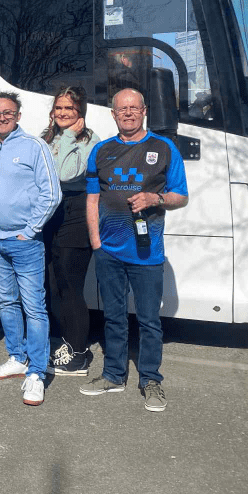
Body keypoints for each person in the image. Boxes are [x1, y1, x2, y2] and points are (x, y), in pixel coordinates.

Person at [80, 88, 188, 412]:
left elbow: (181, 196)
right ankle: (113, 375)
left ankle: (151, 380)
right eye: (121, 109)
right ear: (113, 114)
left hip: (147, 252)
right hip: (109, 252)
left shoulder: (164, 148)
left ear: (144, 111)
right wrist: (96, 244)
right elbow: (92, 199)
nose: (128, 113)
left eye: (134, 108)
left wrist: (156, 198)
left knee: (149, 320)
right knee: (113, 317)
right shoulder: (101, 151)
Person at [0, 92, 61, 406]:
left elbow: (51, 193)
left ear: (18, 115)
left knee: (33, 307)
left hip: (24, 243)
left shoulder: (34, 146)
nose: (1, 117)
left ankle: (36, 372)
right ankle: (17, 358)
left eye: (7, 112)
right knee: (7, 301)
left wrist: (30, 230)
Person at [41, 86, 100, 376]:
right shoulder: (46, 137)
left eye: (69, 108)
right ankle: (66, 342)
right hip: (50, 213)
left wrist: (67, 137)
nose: (63, 113)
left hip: (75, 212)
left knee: (70, 286)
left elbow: (65, 174)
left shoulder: (89, 139)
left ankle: (78, 354)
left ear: (81, 112)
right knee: (52, 283)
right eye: (59, 107)